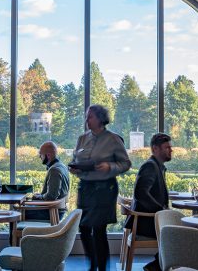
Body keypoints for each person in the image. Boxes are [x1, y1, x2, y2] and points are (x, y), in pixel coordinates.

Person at [71, 104, 131, 271]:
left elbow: (126, 164)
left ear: (100, 119)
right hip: (86, 188)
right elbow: (75, 159)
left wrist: (109, 167)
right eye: (86, 116)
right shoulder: (82, 138)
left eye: (90, 117)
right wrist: (74, 168)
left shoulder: (113, 139)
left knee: (98, 230)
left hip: (105, 189)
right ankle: (93, 262)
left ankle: (101, 268)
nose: (86, 120)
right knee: (83, 227)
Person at [125, 133, 172, 271]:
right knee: (179, 231)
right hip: (146, 223)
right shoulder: (150, 166)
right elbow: (140, 193)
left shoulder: (156, 166)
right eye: (166, 147)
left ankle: (159, 264)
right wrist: (161, 211)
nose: (170, 150)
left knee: (179, 228)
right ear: (155, 149)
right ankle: (158, 265)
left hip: (149, 220)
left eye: (170, 147)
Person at [25, 141, 70, 220]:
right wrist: (41, 196)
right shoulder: (62, 166)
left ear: (48, 155)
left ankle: (18, 232)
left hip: (52, 212)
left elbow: (51, 196)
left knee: (16, 212)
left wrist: (39, 197)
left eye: (41, 154)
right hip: (57, 210)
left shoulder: (54, 170)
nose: (40, 157)